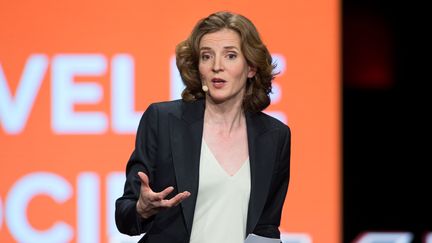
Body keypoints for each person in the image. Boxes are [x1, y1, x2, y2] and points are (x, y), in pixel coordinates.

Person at [115, 11, 291, 243]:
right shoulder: (163, 120)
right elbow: (124, 215)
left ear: (251, 68)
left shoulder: (275, 136)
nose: (217, 66)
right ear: (198, 67)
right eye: (207, 56)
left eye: (230, 56)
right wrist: (142, 208)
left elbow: (266, 228)